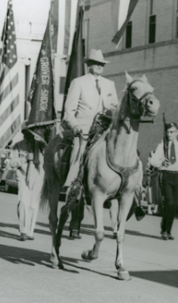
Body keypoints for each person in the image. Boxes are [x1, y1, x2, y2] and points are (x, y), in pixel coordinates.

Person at [62, 48, 119, 239]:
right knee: (79, 164)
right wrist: (76, 126)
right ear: (89, 65)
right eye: (96, 63)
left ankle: (133, 193)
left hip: (105, 132)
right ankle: (73, 200)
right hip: (84, 131)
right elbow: (68, 112)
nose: (99, 67)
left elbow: (115, 108)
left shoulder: (110, 85)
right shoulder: (78, 83)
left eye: (102, 64)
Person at [149, 121, 178, 240]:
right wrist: (161, 163)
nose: (169, 134)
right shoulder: (162, 146)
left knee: (175, 205)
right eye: (167, 132)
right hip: (166, 176)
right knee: (169, 202)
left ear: (177, 133)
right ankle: (164, 229)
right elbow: (153, 161)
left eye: (172, 132)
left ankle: (168, 230)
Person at [11, 130, 44, 241]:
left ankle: (30, 231)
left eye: (32, 133)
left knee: (34, 204)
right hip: (23, 175)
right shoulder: (18, 146)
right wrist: (25, 159)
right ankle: (23, 231)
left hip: (38, 175)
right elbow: (12, 163)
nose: (30, 135)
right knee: (24, 202)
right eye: (27, 133)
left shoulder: (41, 145)